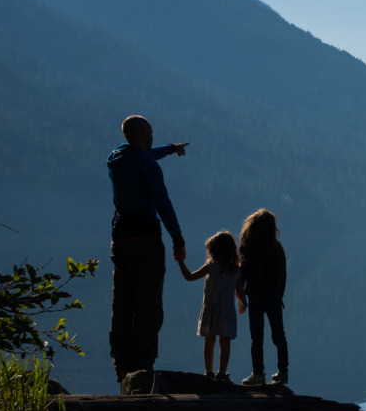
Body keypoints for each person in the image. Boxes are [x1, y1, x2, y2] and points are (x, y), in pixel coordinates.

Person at [107, 115, 190, 382]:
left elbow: (143, 156)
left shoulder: (117, 159)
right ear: (143, 134)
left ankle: (122, 365)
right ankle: (143, 369)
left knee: (122, 302)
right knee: (149, 305)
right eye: (151, 132)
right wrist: (178, 239)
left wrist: (169, 148)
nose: (153, 136)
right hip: (145, 239)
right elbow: (162, 202)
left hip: (120, 240)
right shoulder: (146, 164)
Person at [177, 231, 244, 383]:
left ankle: (208, 371)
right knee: (225, 342)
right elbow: (240, 291)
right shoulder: (235, 270)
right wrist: (243, 304)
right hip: (227, 311)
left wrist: (181, 262)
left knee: (210, 340)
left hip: (211, 309)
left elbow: (190, 277)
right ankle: (222, 372)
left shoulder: (211, 267)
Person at [238, 209, 289, 385]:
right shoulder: (276, 247)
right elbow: (282, 274)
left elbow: (241, 274)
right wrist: (279, 294)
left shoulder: (247, 247)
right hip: (273, 295)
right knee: (279, 335)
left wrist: (241, 297)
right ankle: (283, 372)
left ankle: (258, 374)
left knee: (256, 337)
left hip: (255, 296)